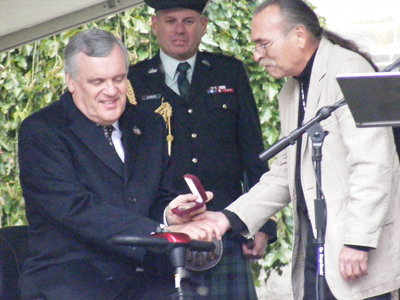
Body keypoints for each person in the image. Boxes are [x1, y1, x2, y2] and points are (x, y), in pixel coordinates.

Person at [194, 1, 400, 299]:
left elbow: (373, 164)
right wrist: (228, 217)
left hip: (353, 251)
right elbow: (283, 173)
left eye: (263, 44)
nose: (256, 55)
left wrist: (358, 241)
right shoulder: (291, 90)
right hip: (318, 248)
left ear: (299, 36)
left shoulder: (348, 69)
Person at [17, 28, 221, 300]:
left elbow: (159, 194)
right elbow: (75, 208)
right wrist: (160, 230)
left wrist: (172, 213)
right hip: (72, 280)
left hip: (145, 277)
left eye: (118, 78)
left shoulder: (149, 125)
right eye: (97, 81)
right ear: (71, 81)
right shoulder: (42, 131)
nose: (111, 91)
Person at [128, 0, 277, 299]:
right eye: (170, 21)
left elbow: (252, 150)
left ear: (204, 26)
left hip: (227, 221)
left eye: (189, 21)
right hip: (163, 226)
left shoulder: (229, 72)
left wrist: (262, 223)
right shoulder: (134, 79)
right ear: (155, 25)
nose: (180, 30)